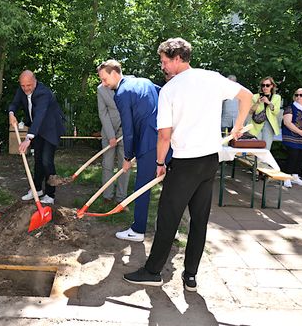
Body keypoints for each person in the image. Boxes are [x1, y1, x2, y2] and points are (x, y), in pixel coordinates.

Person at [123, 38, 252, 291]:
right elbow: (246, 96)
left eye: (164, 61)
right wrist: (238, 126)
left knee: (168, 218)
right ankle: (190, 276)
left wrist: (160, 162)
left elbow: (164, 135)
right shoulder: (212, 78)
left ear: (177, 58)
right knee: (199, 220)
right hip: (209, 161)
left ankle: (153, 271)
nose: (163, 67)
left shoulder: (170, 90)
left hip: (185, 163)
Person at [97, 60, 161, 242]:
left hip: (148, 141)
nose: (103, 83)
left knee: (142, 186)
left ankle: (138, 230)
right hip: (164, 136)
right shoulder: (144, 81)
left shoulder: (122, 93)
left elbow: (128, 128)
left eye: (105, 79)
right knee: (170, 186)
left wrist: (127, 156)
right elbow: (163, 95)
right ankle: (167, 229)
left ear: (115, 73)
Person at [9, 70, 65, 205]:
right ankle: (37, 189)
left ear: (35, 81)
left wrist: (28, 138)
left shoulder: (43, 93)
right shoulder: (21, 90)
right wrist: (11, 113)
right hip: (37, 129)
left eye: (28, 85)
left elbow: (40, 115)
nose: (26, 88)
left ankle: (50, 195)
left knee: (47, 161)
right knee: (38, 159)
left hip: (51, 128)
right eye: (23, 85)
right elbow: (14, 103)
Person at [97, 83, 130, 204]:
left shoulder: (129, 85)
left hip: (126, 131)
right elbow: (103, 113)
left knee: (125, 164)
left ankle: (121, 197)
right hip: (108, 130)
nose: (103, 81)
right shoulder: (101, 89)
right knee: (107, 164)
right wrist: (111, 136)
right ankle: (107, 195)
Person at [281, 88, 302, 188]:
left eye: (301, 95)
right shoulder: (290, 108)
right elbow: (287, 122)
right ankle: (286, 177)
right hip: (291, 136)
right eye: (296, 95)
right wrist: (300, 132)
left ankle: (295, 176)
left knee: (300, 156)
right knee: (293, 155)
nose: (298, 97)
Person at [248, 77, 281, 150]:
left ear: (272, 86)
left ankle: (263, 162)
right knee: (255, 147)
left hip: (269, 124)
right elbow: (250, 111)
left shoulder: (277, 97)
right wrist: (257, 103)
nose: (265, 87)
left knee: (266, 148)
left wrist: (268, 102)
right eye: (263, 85)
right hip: (256, 124)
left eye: (267, 85)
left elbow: (276, 112)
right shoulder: (255, 96)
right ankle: (256, 161)